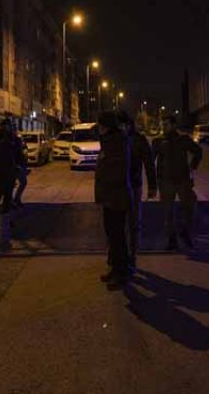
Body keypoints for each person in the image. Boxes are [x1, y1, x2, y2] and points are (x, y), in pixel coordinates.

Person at [94, 111, 133, 290]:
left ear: (107, 127)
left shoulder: (117, 143)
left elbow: (116, 171)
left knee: (117, 237)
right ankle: (116, 269)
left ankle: (121, 274)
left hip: (116, 197)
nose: (98, 130)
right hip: (109, 197)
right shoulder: (109, 142)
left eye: (100, 126)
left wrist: (105, 184)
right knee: (112, 235)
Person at [151, 115, 203, 251]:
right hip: (166, 182)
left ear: (174, 125)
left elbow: (198, 151)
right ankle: (172, 240)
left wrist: (192, 167)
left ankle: (185, 231)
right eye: (163, 124)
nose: (164, 127)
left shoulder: (183, 140)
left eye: (167, 124)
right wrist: (155, 181)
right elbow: (151, 159)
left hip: (183, 180)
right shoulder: (158, 142)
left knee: (190, 207)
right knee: (168, 212)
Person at [118, 110, 155, 269]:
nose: (119, 128)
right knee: (118, 224)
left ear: (127, 125)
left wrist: (152, 186)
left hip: (134, 186)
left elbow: (149, 164)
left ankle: (132, 255)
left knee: (133, 223)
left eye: (121, 125)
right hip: (117, 187)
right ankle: (119, 257)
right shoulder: (117, 139)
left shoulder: (139, 140)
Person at [0, 119, 27, 223]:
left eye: (9, 126)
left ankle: (6, 220)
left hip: (9, 171)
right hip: (0, 171)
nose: (8, 128)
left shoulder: (14, 139)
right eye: (6, 126)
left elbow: (19, 155)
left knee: (7, 198)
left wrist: (20, 166)